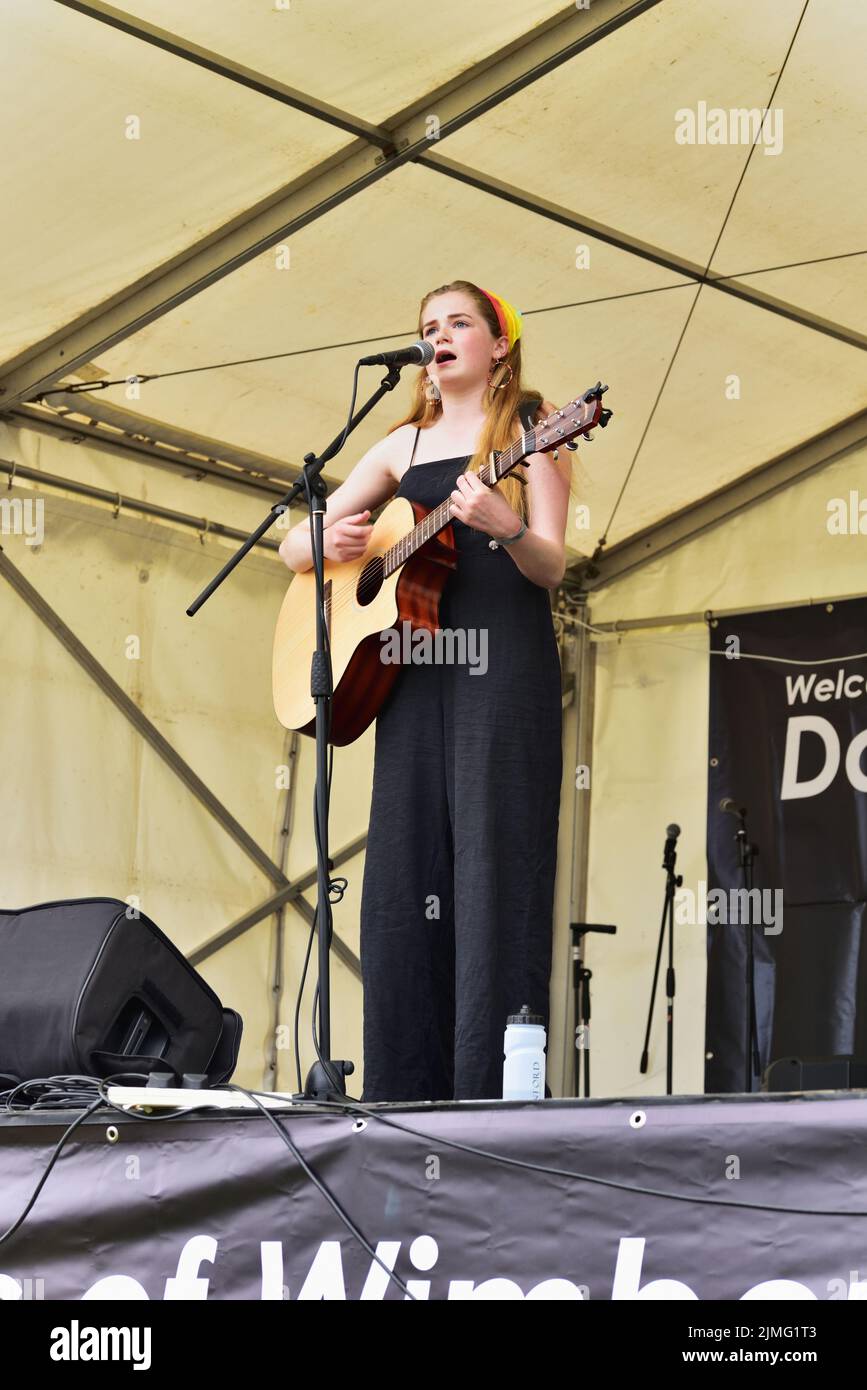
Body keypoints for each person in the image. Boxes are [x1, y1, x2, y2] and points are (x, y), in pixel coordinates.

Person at [278, 279, 574, 1103]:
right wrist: (320, 540)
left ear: (498, 346)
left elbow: (553, 562)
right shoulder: (397, 446)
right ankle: (402, 1097)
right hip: (409, 672)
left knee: (492, 874)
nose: (438, 337)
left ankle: (490, 1099)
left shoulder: (530, 433)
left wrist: (506, 528)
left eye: (457, 325)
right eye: (426, 328)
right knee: (403, 881)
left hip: (501, 674)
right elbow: (291, 548)